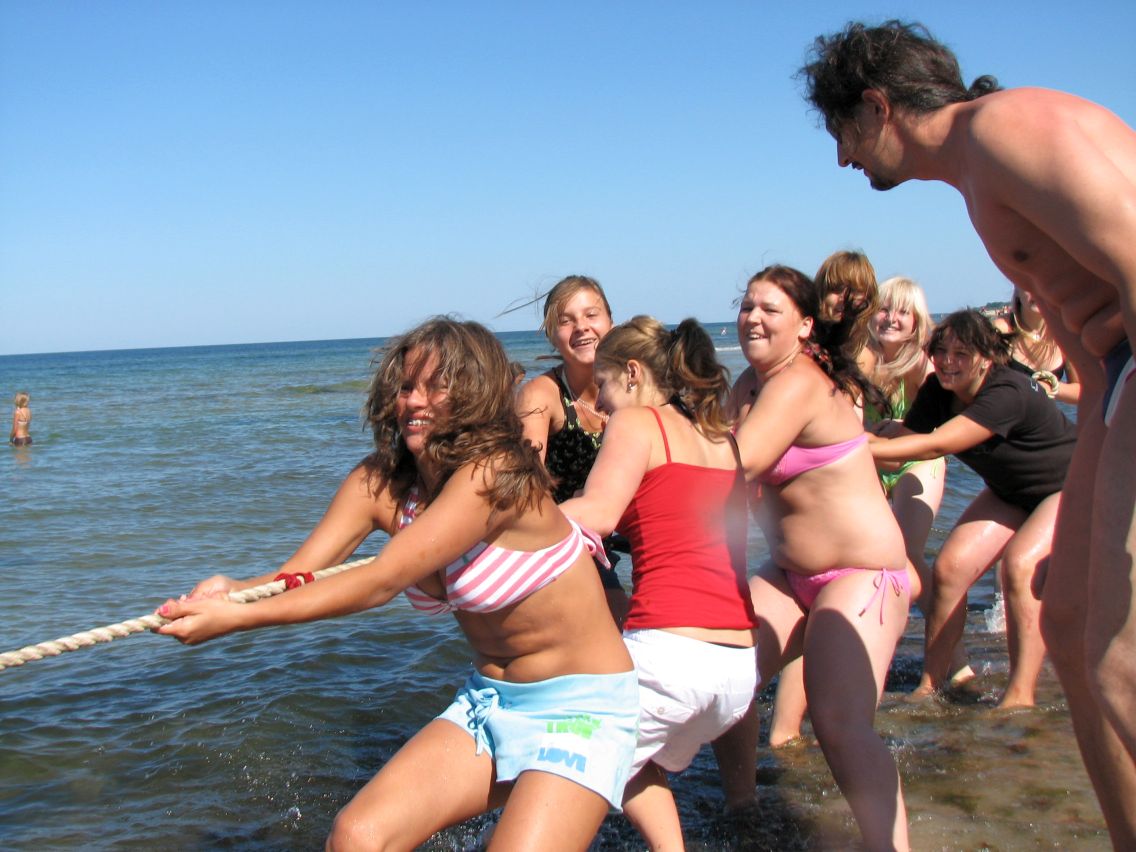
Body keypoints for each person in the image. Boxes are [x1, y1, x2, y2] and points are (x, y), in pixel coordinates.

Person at [800, 21, 1136, 843]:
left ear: (878, 106)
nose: (842, 157)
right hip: (1114, 381)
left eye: (843, 130)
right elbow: (1094, 357)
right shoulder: (981, 177)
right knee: (1068, 631)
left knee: (1123, 667)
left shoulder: (1006, 130)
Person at [155, 318, 639, 851]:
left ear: (474, 393)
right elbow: (299, 575)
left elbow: (382, 581)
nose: (415, 401)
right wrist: (235, 589)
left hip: (580, 708)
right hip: (490, 703)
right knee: (358, 837)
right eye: (407, 386)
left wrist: (238, 619)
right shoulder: (382, 484)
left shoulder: (495, 473)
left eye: (436, 386)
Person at [557, 316, 759, 848]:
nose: (601, 404)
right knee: (625, 759)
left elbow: (598, 513)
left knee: (556, 754)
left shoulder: (637, 423)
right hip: (737, 672)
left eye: (603, 385)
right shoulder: (722, 438)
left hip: (671, 659)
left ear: (632, 373)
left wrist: (504, 525)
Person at [735, 265, 910, 851]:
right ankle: (741, 810)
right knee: (724, 681)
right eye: (747, 306)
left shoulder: (800, 383)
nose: (753, 318)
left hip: (863, 574)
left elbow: (737, 462)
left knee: (838, 724)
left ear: (805, 325)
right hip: (791, 574)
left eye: (770, 309)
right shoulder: (749, 383)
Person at [869, 310, 1076, 708]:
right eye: (940, 351)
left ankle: (1020, 695)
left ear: (986, 357)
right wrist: (848, 437)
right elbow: (901, 448)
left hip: (1069, 485)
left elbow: (935, 445)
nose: (947, 362)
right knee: (950, 569)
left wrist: (859, 447)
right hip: (1010, 492)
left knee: (1019, 566)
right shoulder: (938, 389)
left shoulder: (1005, 392)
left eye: (961, 353)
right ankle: (931, 685)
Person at [515, 275, 630, 621]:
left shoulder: (635, 387)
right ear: (553, 335)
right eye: (566, 321)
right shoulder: (541, 395)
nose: (581, 327)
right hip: (560, 542)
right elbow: (525, 488)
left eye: (591, 315)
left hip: (622, 533)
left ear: (611, 322)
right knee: (616, 621)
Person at [993, 286, 1081, 405]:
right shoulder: (1000, 331)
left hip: (1045, 415)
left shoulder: (1064, 333)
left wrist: (1050, 385)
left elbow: (1081, 392)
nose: (1036, 292)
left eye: (1041, 285)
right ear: (1017, 291)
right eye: (1028, 285)